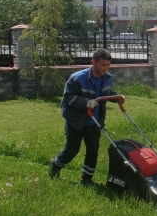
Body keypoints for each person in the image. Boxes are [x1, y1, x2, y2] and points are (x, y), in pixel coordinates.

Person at [50, 49, 117, 185]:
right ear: (93, 62)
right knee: (72, 150)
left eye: (108, 65)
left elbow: (106, 92)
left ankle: (86, 179)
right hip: (76, 120)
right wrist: (86, 102)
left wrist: (117, 97)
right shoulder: (77, 78)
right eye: (103, 65)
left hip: (94, 121)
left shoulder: (107, 77)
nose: (106, 68)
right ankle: (56, 164)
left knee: (93, 150)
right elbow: (68, 97)